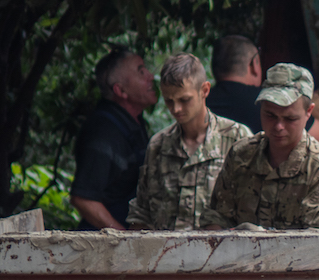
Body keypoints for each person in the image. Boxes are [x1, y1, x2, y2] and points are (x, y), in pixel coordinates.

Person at [200, 64, 319, 230]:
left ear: (309, 112)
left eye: (290, 119)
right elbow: (217, 217)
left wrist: (260, 239)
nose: (278, 126)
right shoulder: (241, 155)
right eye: (270, 115)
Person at [125, 54, 253, 230]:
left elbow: (253, 208)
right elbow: (142, 213)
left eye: (184, 100)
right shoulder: (159, 145)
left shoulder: (237, 138)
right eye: (169, 101)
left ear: (205, 90)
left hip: (220, 253)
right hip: (165, 253)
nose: (176, 109)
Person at [206, 35, 319, 153]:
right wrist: (310, 108)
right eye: (270, 115)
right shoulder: (268, 102)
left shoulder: (201, 104)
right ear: (254, 64)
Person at [70, 47, 157, 230]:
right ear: (120, 90)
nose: (151, 76)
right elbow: (83, 199)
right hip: (103, 249)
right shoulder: (103, 134)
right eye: (141, 71)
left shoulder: (134, 121)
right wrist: (122, 240)